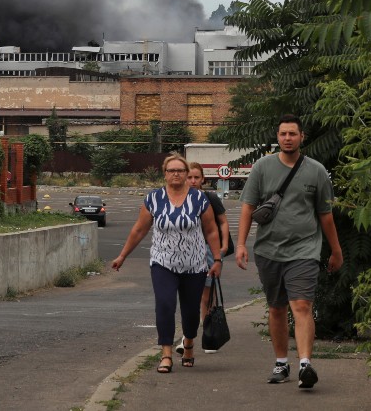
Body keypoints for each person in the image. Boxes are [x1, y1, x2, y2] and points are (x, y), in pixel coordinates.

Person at [235, 114, 343, 390]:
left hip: (304, 250)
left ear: (301, 137)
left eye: (292, 134)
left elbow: (325, 214)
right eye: (283, 134)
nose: (287, 138)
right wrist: (240, 244)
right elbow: (248, 206)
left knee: (303, 305)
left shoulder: (316, 171)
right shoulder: (262, 167)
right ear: (278, 136)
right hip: (269, 250)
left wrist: (336, 250)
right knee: (277, 308)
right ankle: (281, 362)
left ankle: (305, 363)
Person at [112, 153, 222, 374]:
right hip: (163, 262)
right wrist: (123, 255)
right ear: (165, 174)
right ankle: (166, 354)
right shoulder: (154, 198)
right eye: (171, 171)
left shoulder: (199, 199)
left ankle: (189, 344)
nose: (176, 174)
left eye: (180, 171)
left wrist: (217, 259)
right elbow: (139, 229)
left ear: (186, 174)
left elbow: (211, 230)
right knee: (165, 305)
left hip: (195, 264)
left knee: (191, 311)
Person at [180, 161, 229, 355]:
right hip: (185, 251)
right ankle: (189, 335)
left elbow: (223, 222)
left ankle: (206, 333)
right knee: (188, 295)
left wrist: (223, 246)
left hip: (208, 250)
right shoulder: (178, 197)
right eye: (189, 177)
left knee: (205, 295)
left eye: (196, 177)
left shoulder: (209, 198)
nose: (192, 181)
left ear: (202, 179)